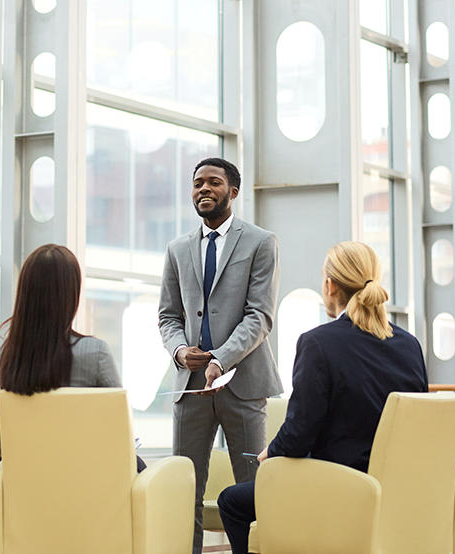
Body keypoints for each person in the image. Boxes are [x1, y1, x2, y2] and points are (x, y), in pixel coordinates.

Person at [217, 241, 429, 553]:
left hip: (338, 488)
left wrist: (270, 453)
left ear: (329, 285)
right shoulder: (409, 345)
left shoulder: (318, 343)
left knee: (232, 502)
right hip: (397, 490)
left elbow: (300, 436)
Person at [158, 157, 282, 553]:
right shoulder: (177, 248)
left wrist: (219, 359)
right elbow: (167, 315)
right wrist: (180, 351)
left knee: (253, 491)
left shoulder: (261, 242)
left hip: (243, 386)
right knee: (184, 492)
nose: (204, 190)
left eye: (213, 182)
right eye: (197, 184)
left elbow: (259, 316)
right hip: (190, 388)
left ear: (233, 191)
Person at [0, 244, 144, 470]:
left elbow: (2, 445)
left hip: (27, 488)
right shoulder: (94, 354)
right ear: (71, 294)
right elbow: (122, 439)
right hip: (90, 487)